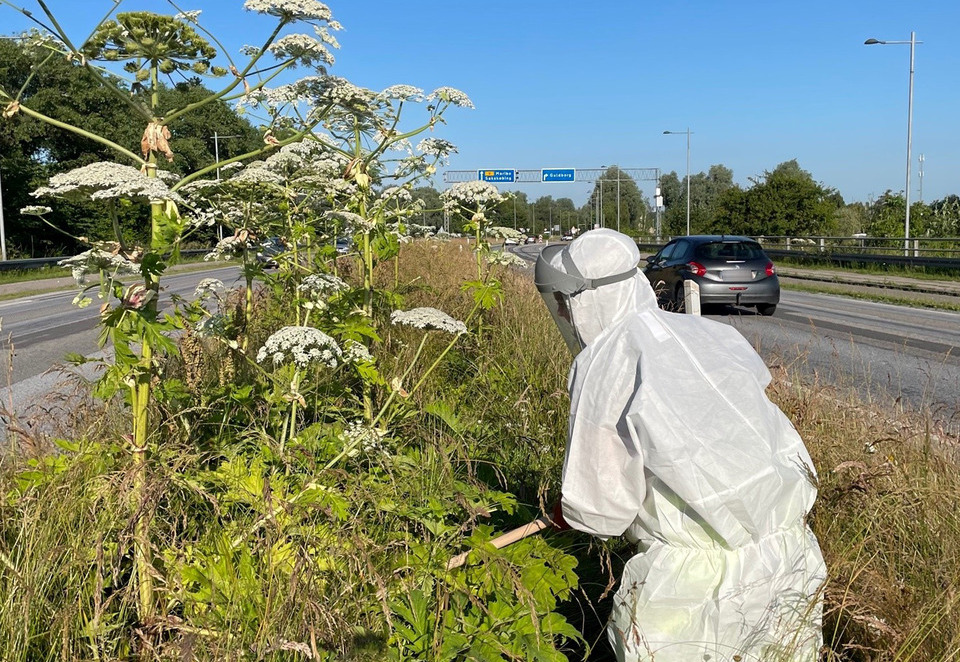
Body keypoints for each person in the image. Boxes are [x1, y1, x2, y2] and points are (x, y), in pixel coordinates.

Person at [535, 229, 825, 662]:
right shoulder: (709, 333)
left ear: (584, 300)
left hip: (693, 586)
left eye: (562, 301)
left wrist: (568, 512)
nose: (560, 310)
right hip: (792, 557)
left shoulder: (604, 364)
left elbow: (602, 511)